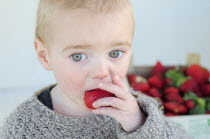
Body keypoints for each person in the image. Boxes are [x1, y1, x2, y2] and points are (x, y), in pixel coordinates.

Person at [0, 0, 192, 138]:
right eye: (78, 56)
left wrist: (138, 125)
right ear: (44, 55)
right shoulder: (23, 126)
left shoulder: (138, 111)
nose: (101, 71)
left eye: (115, 53)